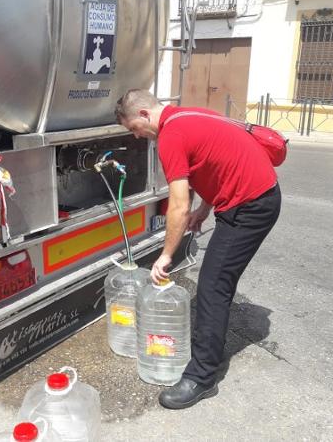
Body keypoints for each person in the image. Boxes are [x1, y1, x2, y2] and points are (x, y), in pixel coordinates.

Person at [115, 89, 281, 409]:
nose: (136, 136)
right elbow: (216, 165)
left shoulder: (171, 136)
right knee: (217, 281)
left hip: (251, 207)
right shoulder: (191, 115)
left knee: (212, 286)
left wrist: (165, 255)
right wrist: (205, 209)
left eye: (133, 128)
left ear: (145, 115)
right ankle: (207, 344)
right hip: (255, 197)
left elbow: (177, 205)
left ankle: (202, 378)